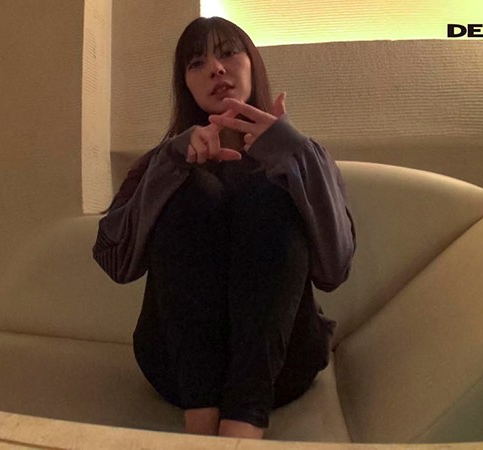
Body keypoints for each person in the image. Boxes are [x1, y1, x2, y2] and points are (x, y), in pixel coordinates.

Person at [93, 16, 355, 439]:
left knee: (268, 192)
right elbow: (116, 261)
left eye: (228, 53)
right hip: (175, 367)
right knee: (192, 191)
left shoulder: (302, 155)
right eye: (197, 62)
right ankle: (201, 422)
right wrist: (171, 165)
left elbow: (334, 269)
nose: (215, 69)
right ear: (185, 84)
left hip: (283, 365)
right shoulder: (163, 161)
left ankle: (244, 424)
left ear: (252, 63)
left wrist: (292, 154)